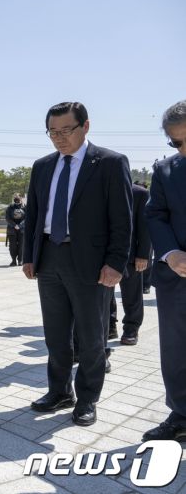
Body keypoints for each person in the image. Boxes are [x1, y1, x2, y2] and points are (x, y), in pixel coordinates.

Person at [23, 102, 132, 427]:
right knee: (56, 334)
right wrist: (29, 256)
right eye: (52, 132)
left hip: (91, 262)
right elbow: (34, 215)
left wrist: (115, 263)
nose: (59, 138)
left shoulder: (110, 163)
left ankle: (87, 399)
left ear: (85, 126)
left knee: (91, 335)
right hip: (50, 257)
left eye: (66, 130)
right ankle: (59, 391)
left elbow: (122, 219)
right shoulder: (43, 166)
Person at [142, 99, 186, 441]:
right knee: (176, 350)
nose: (183, 149)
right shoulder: (165, 170)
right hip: (178, 279)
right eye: (176, 142)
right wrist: (170, 254)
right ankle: (182, 414)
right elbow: (155, 215)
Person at [116, 182, 151, 346]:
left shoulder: (140, 193)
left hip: (130, 254)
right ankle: (110, 325)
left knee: (132, 294)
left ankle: (131, 329)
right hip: (103, 253)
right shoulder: (100, 187)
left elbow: (145, 227)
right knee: (104, 296)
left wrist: (143, 255)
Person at [6, 194, 25, 266]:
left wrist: (20, 225)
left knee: (21, 245)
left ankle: (20, 260)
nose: (17, 202)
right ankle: (13, 260)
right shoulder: (10, 207)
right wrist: (14, 225)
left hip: (22, 230)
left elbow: (27, 218)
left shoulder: (25, 207)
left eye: (18, 200)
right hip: (12, 229)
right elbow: (7, 218)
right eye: (16, 200)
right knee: (12, 246)